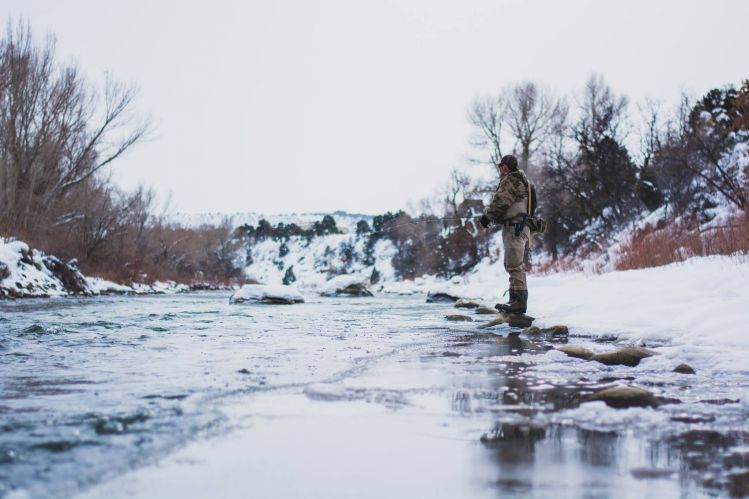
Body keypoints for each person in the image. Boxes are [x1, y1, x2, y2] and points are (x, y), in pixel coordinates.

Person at [480, 154, 531, 314]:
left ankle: (518, 303)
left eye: (501, 166)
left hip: (515, 228)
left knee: (514, 265)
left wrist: (487, 216)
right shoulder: (520, 181)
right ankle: (514, 300)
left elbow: (500, 202)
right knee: (513, 264)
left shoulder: (511, 180)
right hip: (518, 227)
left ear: (506, 167)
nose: (500, 168)